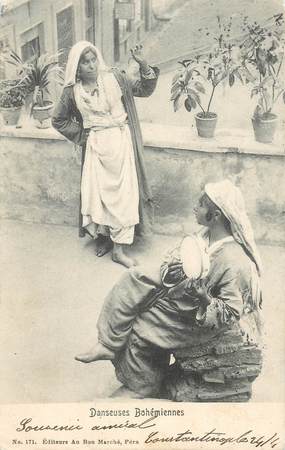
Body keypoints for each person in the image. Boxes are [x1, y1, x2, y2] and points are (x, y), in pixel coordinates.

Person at [75, 180, 263, 398]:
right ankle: (108, 343)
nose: (195, 207)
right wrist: (172, 271)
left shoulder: (234, 260)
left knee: (142, 325)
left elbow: (231, 312)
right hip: (182, 296)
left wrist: (205, 299)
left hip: (197, 319)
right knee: (135, 278)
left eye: (201, 204)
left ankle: (141, 384)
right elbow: (181, 261)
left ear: (217, 215)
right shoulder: (205, 235)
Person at [52, 41, 159, 268]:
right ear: (76, 68)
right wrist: (83, 136)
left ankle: (119, 251)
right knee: (99, 197)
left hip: (121, 144)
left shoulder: (115, 78)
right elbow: (58, 119)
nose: (91, 66)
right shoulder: (72, 92)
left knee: (123, 197)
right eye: (85, 62)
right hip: (96, 148)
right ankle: (105, 238)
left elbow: (145, 89)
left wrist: (143, 63)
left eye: (93, 60)